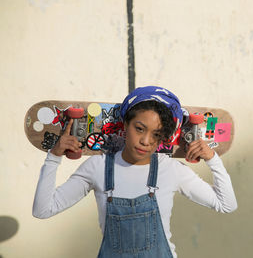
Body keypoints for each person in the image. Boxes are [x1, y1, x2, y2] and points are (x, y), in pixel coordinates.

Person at [32, 86, 237, 258]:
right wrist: (53, 157)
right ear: (125, 124)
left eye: (156, 134)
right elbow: (43, 210)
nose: (146, 141)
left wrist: (212, 159)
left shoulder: (170, 169)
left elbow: (226, 204)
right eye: (139, 128)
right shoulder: (98, 167)